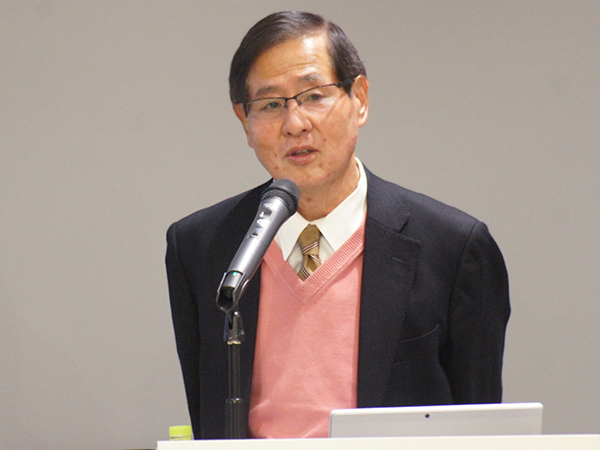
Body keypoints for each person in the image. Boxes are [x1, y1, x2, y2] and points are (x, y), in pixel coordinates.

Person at [166, 11, 510, 440]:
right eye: (271, 105)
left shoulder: (454, 249)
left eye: (314, 96)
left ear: (359, 99)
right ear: (244, 121)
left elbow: (481, 432)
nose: (295, 124)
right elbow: (209, 422)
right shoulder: (200, 248)